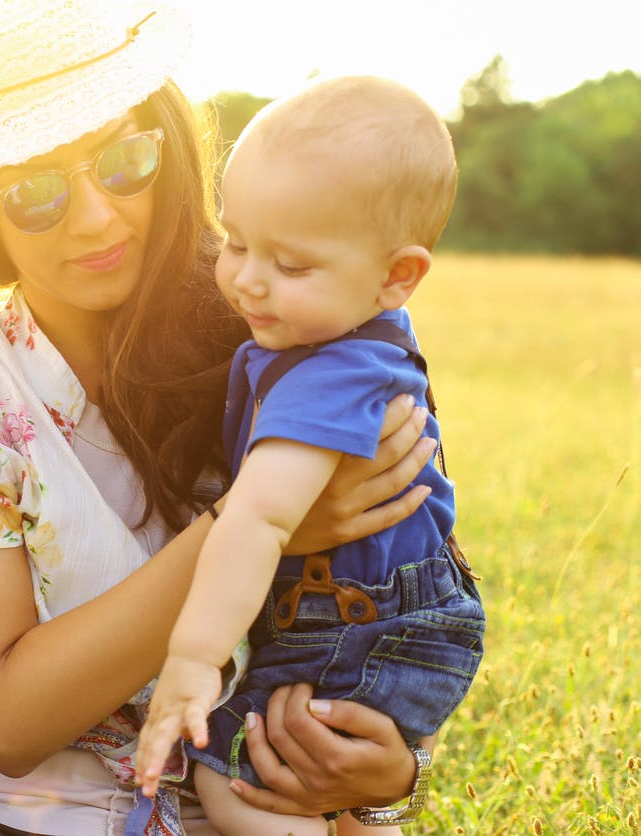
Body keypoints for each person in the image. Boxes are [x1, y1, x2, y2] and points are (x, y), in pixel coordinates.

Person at [0, 2, 442, 834]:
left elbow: (407, 599)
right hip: (6, 813)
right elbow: (4, 723)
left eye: (125, 158)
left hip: (252, 800)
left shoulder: (299, 331)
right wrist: (261, 526)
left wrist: (394, 769)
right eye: (33, 192)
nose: (98, 217)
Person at [133, 75, 487, 834]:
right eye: (235, 242)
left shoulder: (331, 371)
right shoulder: (357, 320)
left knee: (244, 778)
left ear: (399, 275)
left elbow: (260, 518)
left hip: (353, 620)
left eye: (290, 266)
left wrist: (194, 662)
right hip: (401, 615)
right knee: (335, 785)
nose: (247, 279)